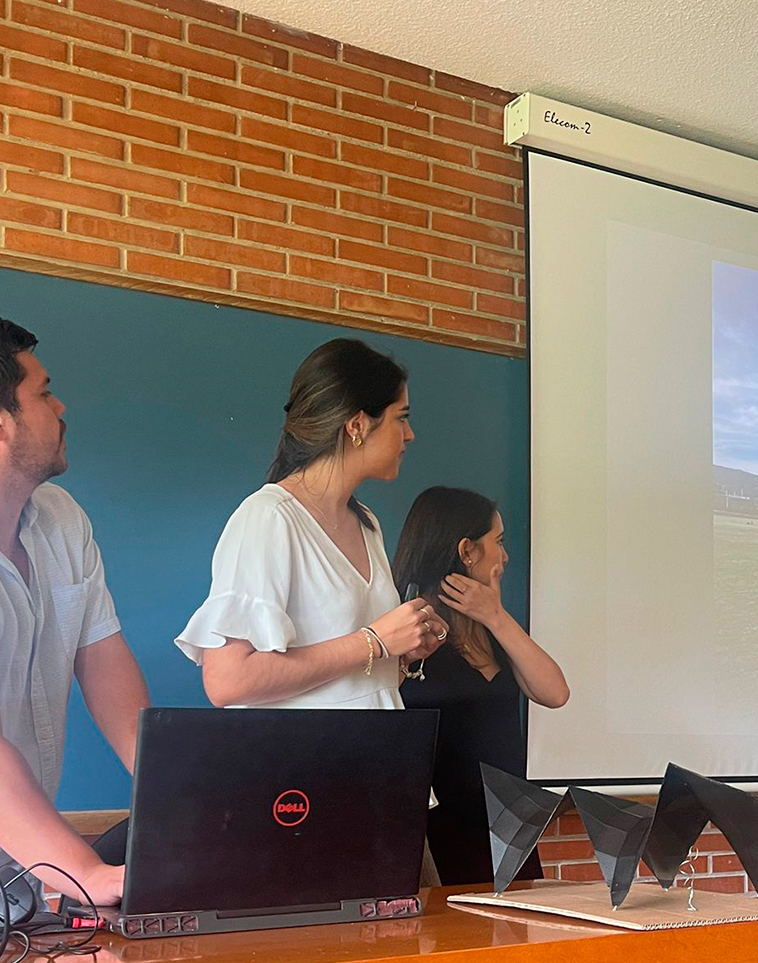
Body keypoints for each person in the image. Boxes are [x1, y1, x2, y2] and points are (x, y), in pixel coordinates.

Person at [174, 338, 448, 878]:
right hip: (306, 798)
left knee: (423, 953)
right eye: (401, 417)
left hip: (386, 782)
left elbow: (358, 668)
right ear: (356, 425)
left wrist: (408, 647)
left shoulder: (366, 522)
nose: (410, 434)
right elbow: (227, 681)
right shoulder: (269, 519)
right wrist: (374, 641)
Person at [0, 319, 149, 907]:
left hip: (24, 868)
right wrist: (87, 872)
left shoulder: (61, 519)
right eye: (42, 393)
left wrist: (180, 799)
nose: (61, 407)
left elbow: (105, 663)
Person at [393, 486, 569, 885]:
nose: (505, 556)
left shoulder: (496, 629)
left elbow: (554, 693)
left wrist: (497, 616)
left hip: (512, 833)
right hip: (438, 839)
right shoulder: (409, 626)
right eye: (499, 542)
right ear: (467, 551)